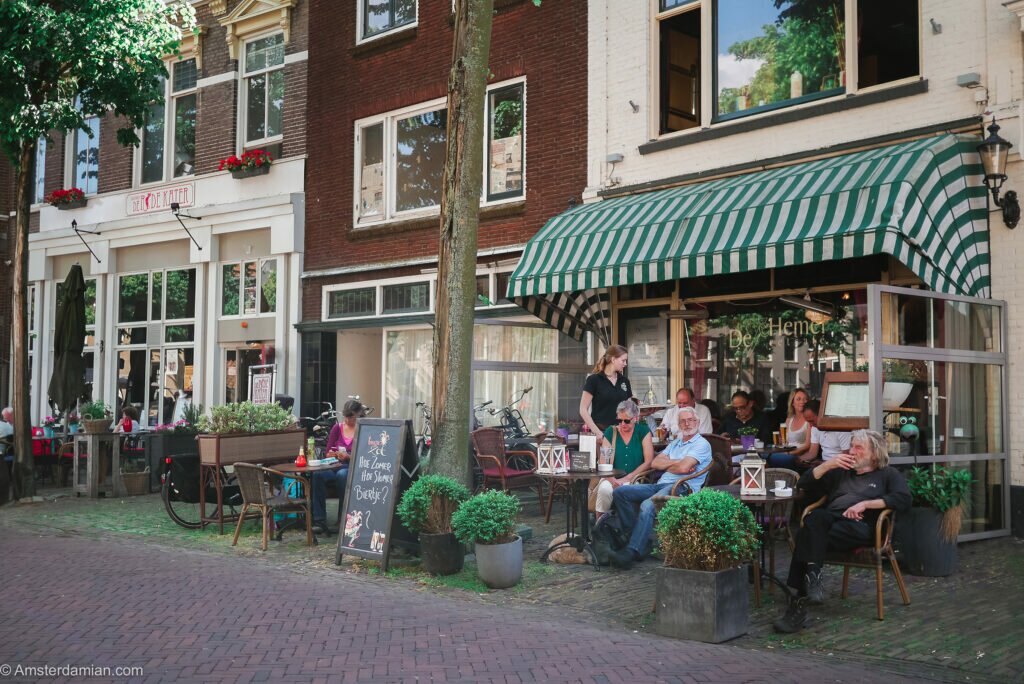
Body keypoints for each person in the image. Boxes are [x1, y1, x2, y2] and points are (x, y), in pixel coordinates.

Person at [773, 429, 911, 633]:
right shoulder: (841, 471)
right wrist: (828, 464)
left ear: (874, 453)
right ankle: (812, 581)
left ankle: (799, 601)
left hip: (861, 528)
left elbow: (903, 499)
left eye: (858, 447)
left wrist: (865, 505)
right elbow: (803, 485)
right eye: (851, 446)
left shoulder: (887, 474)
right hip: (830, 524)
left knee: (806, 534)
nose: (852, 451)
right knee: (816, 519)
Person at [607, 407, 713, 569]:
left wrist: (671, 464)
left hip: (682, 488)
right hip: (660, 485)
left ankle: (632, 551)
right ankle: (635, 539)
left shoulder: (702, 444)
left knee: (648, 504)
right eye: (683, 421)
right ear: (678, 424)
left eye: (691, 420)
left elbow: (684, 469)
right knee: (621, 492)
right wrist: (678, 463)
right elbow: (655, 463)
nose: (687, 424)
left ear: (697, 422)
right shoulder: (676, 443)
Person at [592, 400, 655, 517]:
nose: (622, 424)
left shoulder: (643, 431)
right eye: (619, 420)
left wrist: (627, 478)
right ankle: (600, 526)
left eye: (626, 421)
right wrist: (611, 479)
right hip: (610, 477)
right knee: (604, 490)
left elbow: (649, 461)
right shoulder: (611, 431)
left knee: (627, 491)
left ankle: (625, 527)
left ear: (635, 418)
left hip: (636, 478)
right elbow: (603, 460)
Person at [310, 399, 360, 534]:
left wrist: (348, 457)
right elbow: (327, 452)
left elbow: (364, 455)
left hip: (352, 467)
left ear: (358, 415)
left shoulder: (362, 429)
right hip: (335, 464)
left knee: (342, 475)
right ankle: (319, 519)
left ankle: (343, 518)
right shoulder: (337, 428)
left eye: (352, 417)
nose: (348, 420)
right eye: (346, 417)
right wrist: (333, 454)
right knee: (317, 475)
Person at [580, 344, 632, 443]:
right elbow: (583, 409)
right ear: (613, 359)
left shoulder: (625, 381)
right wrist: (597, 432)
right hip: (602, 433)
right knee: (605, 459)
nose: (625, 364)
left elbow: (629, 409)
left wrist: (644, 412)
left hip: (622, 432)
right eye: (623, 360)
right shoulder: (594, 380)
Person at [795, 399, 852, 467]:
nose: (810, 425)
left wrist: (824, 464)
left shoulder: (841, 428)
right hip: (823, 464)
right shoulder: (814, 427)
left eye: (812, 421)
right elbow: (812, 453)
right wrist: (797, 459)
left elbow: (846, 458)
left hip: (839, 468)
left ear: (821, 415)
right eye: (808, 422)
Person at [767, 388, 812, 466]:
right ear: (792, 403)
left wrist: (789, 453)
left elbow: (807, 446)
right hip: (786, 453)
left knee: (771, 458)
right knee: (764, 455)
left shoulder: (809, 420)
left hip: (798, 456)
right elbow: (784, 441)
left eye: (805, 399)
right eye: (798, 399)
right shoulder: (789, 420)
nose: (802, 402)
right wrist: (780, 442)